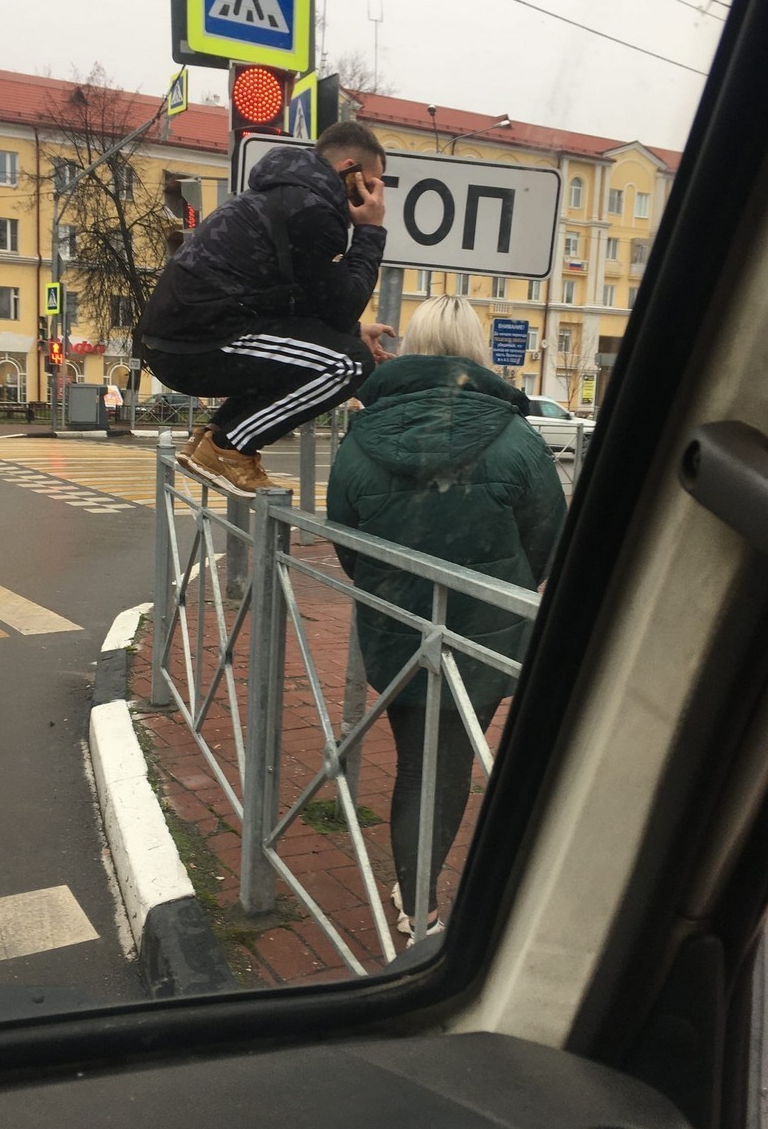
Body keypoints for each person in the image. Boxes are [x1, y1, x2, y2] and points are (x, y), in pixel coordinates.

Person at [325, 296, 567, 944]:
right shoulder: (517, 440)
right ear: (476, 351)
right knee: (450, 764)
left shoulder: (360, 437)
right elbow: (547, 538)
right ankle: (418, 910)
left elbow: (347, 543)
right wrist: (500, 587)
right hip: (482, 636)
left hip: (395, 629)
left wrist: (391, 590)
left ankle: (414, 895)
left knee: (416, 762)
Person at [139, 122, 394, 498]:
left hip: (182, 338)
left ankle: (214, 441)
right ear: (349, 169)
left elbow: (309, 302)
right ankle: (228, 450)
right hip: (201, 340)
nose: (372, 196)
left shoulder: (285, 196)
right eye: (370, 184)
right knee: (348, 364)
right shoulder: (312, 210)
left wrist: (354, 330)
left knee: (340, 350)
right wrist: (371, 230)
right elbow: (341, 306)